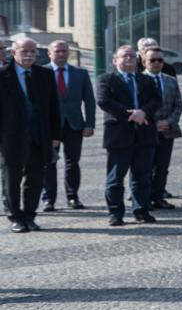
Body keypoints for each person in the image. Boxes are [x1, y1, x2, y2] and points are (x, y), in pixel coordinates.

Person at [1, 38, 61, 232]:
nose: (29, 55)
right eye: (25, 51)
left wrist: (55, 135)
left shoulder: (45, 75)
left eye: (33, 51)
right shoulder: (3, 75)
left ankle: (29, 215)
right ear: (14, 53)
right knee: (11, 179)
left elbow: (53, 107)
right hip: (11, 137)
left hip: (38, 137)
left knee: (35, 179)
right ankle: (15, 217)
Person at [100, 44, 161, 225]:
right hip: (118, 135)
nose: (129, 59)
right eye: (124, 56)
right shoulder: (106, 79)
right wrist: (132, 115)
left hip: (144, 135)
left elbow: (157, 99)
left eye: (132, 56)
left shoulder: (146, 80)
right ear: (115, 60)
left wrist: (143, 112)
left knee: (142, 177)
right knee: (115, 178)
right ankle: (116, 213)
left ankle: (141, 210)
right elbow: (103, 101)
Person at [43, 40, 94, 212]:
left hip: (74, 124)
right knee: (49, 162)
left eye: (64, 51)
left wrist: (90, 124)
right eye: (57, 51)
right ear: (49, 53)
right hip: (50, 126)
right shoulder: (41, 72)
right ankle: (48, 199)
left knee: (73, 162)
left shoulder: (80, 73)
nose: (61, 54)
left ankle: (72, 197)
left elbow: (89, 100)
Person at [142, 46, 182, 211]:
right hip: (146, 130)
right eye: (152, 60)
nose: (157, 63)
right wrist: (153, 124)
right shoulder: (139, 80)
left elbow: (178, 104)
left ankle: (158, 197)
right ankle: (144, 199)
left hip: (167, 130)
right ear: (144, 62)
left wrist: (169, 122)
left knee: (162, 167)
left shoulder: (171, 80)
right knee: (145, 167)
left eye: (160, 60)